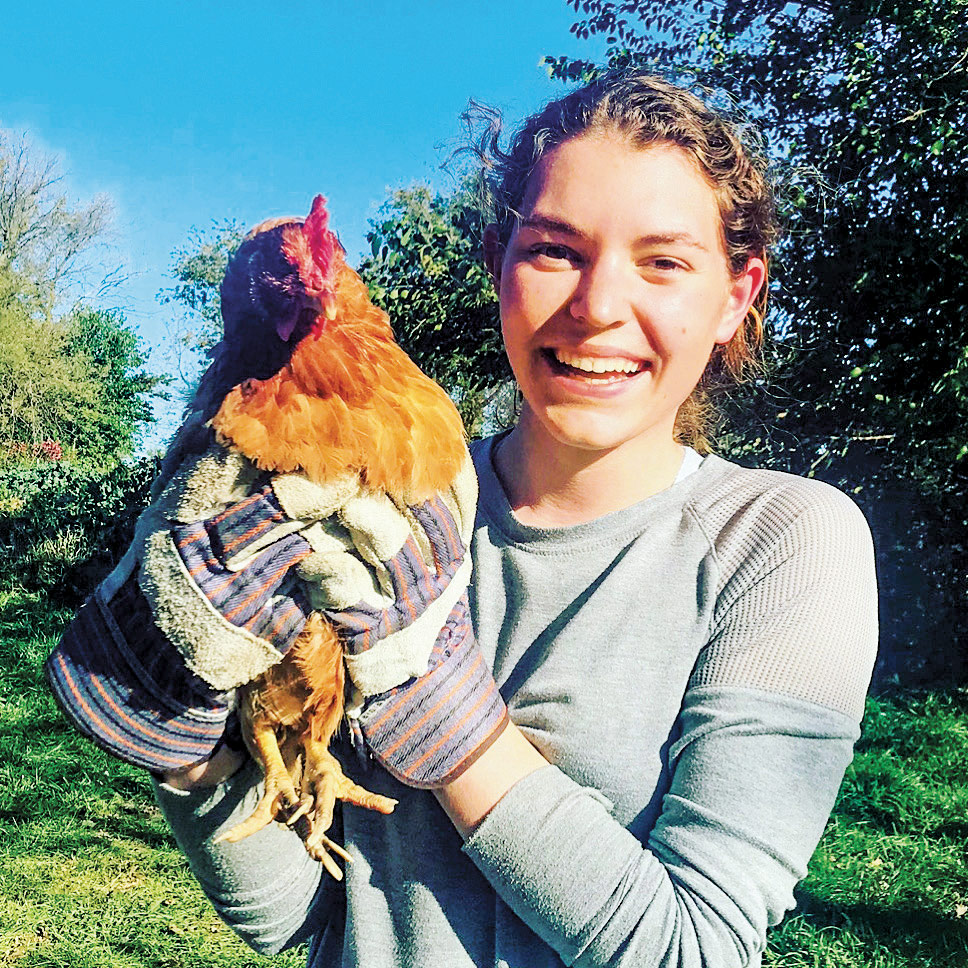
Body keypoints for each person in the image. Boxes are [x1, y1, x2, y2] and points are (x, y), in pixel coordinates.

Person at [152, 71, 878, 967]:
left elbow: (700, 949)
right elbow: (314, 926)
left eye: (664, 261)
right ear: (499, 260)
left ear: (734, 296)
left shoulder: (780, 539)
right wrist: (189, 750)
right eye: (555, 251)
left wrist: (450, 725)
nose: (600, 307)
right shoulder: (378, 516)